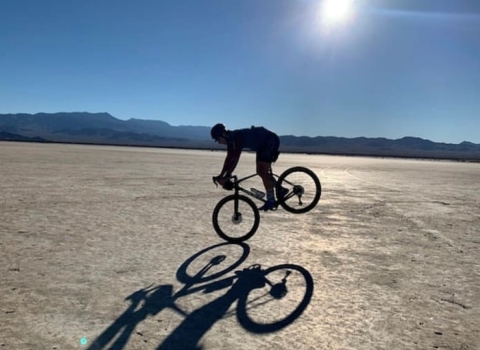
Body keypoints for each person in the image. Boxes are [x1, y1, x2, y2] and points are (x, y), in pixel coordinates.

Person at [211, 123, 286, 211]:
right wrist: (221, 175)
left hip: (270, 141)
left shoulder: (237, 137)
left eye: (218, 139)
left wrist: (227, 176)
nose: (219, 143)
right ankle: (280, 189)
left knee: (262, 171)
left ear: (223, 135)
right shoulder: (230, 140)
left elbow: (235, 158)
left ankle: (271, 200)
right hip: (262, 145)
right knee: (260, 171)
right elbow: (229, 159)